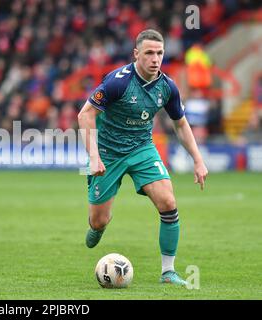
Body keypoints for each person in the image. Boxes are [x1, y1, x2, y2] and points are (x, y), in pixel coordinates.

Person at [77, 29, 208, 285]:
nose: (155, 58)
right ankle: (97, 227)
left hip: (142, 148)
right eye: (149, 53)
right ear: (136, 54)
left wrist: (198, 159)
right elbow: (85, 114)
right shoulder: (118, 82)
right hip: (107, 152)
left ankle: (168, 272)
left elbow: (180, 124)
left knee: (168, 202)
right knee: (99, 219)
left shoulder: (167, 87)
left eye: (159, 53)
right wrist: (93, 157)